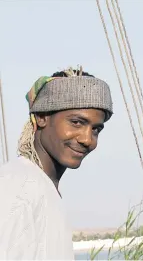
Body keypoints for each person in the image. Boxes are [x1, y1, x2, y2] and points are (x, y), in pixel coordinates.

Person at [0, 67, 113, 259]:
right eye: (76, 122)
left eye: (96, 129)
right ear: (42, 116)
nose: (88, 139)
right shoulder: (19, 186)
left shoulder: (42, 187)